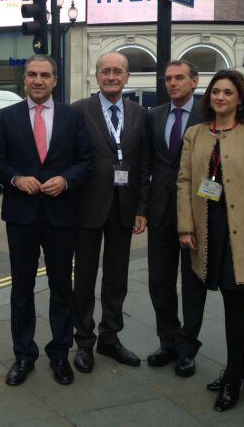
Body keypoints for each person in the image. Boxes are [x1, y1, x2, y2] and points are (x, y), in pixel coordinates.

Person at [177, 68, 244, 412]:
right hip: (209, 227)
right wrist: (185, 226)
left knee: (236, 304)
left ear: (240, 99)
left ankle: (234, 376)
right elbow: (184, 181)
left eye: (227, 92)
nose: (220, 97)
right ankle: (242, 367)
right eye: (215, 92)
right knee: (221, 297)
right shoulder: (195, 133)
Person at [0, 55, 93, 386]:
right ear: (24, 80)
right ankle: (23, 355)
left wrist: (66, 180)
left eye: (44, 75)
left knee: (62, 287)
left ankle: (60, 353)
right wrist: (16, 179)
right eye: (31, 74)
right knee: (22, 289)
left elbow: (85, 161)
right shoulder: (7, 116)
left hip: (61, 214)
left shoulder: (72, 117)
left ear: (55, 81)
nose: (37, 80)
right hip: (21, 215)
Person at [71, 51, 149, 373]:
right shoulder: (78, 112)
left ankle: (110, 337)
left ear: (127, 77)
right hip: (87, 209)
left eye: (118, 71)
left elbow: (144, 165)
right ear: (97, 76)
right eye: (106, 71)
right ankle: (84, 341)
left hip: (124, 209)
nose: (111, 76)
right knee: (85, 279)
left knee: (117, 278)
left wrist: (142, 208)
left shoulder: (139, 114)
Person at [144, 60, 207, 377]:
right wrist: (142, 208)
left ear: (194, 82)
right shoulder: (154, 115)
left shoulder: (208, 116)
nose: (172, 83)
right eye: (168, 78)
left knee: (193, 282)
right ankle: (167, 341)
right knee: (159, 281)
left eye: (179, 78)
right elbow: (146, 164)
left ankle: (187, 347)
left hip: (197, 210)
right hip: (160, 210)